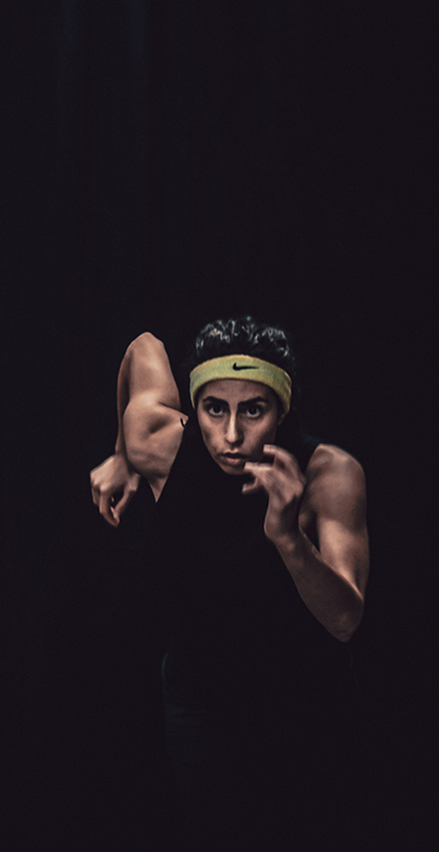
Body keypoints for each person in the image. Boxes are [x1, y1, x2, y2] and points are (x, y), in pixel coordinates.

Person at [89, 317, 368, 849]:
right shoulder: (160, 444)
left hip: (305, 701)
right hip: (201, 698)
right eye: (215, 409)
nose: (232, 435)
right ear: (194, 407)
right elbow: (142, 347)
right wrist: (124, 455)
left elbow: (344, 620)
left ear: (282, 410)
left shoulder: (328, 473)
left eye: (253, 411)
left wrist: (288, 538)